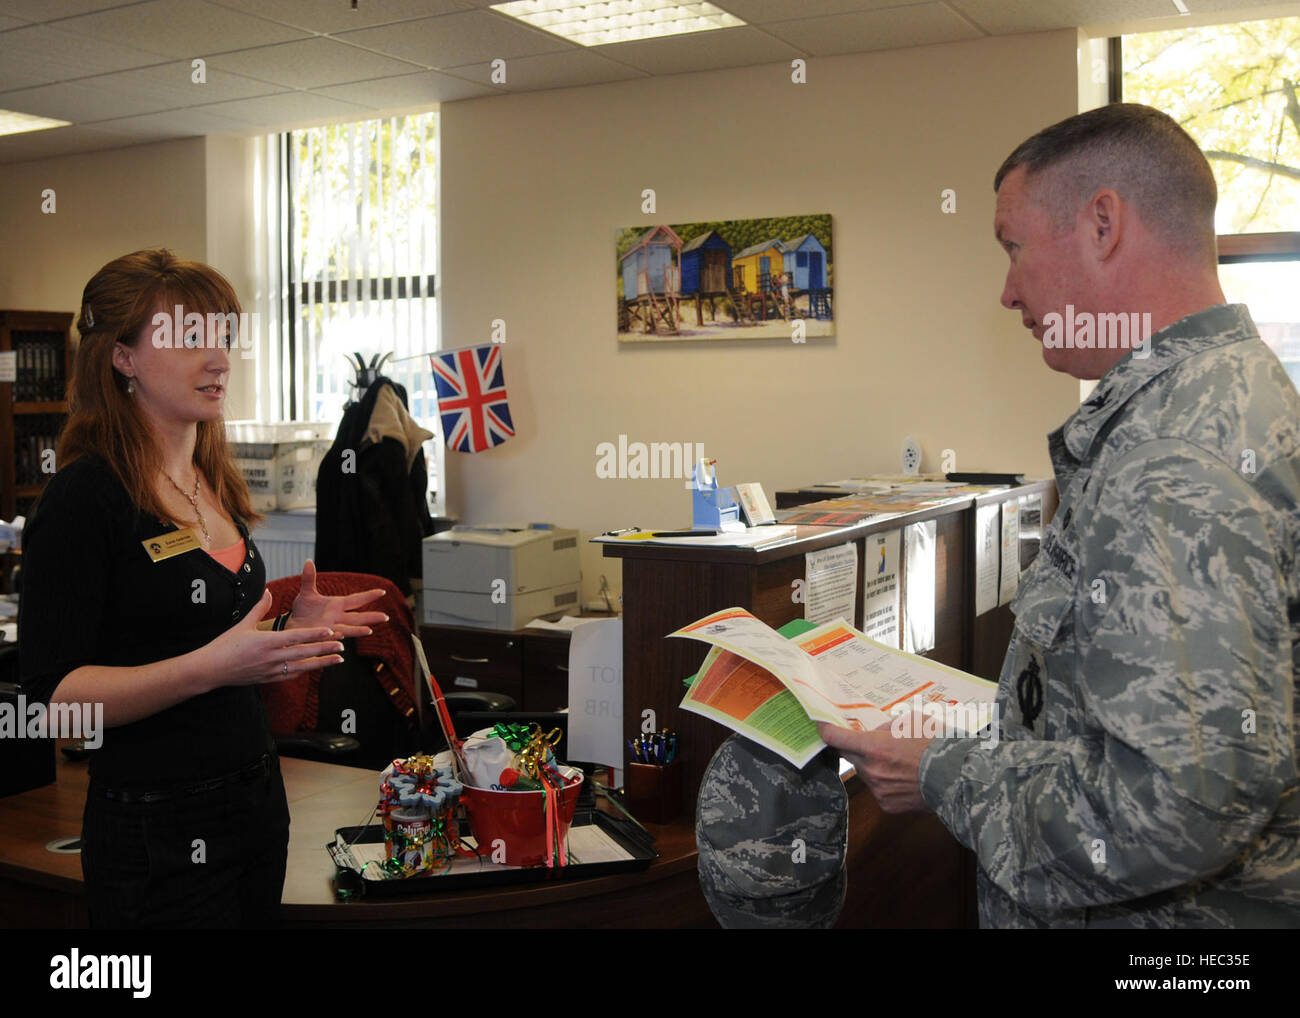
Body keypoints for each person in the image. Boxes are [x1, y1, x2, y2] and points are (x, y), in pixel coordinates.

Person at [820, 103, 1300, 928]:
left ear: (1103, 223)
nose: (1008, 291)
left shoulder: (1172, 458)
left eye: (1013, 246)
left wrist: (938, 770)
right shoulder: (1223, 399)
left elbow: (1175, 808)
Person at [18, 249, 389, 928]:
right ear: (122, 357)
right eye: (189, 339)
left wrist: (287, 634)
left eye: (220, 338)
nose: (218, 359)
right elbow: (53, 705)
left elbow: (210, 646)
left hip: (253, 802)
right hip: (153, 829)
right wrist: (205, 669)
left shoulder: (211, 479)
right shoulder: (85, 498)